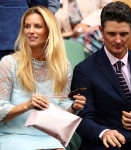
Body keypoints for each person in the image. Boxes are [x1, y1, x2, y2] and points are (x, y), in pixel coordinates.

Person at [0, 5, 86, 150]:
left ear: (49, 31)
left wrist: (73, 107)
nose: (30, 31)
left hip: (47, 137)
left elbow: (62, 105)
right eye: (27, 26)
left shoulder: (63, 66)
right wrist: (27, 105)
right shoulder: (9, 64)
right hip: (13, 136)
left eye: (37, 26)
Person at [71, 1, 131, 150]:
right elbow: (81, 117)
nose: (118, 40)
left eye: (124, 34)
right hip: (104, 146)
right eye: (112, 34)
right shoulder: (84, 70)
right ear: (101, 31)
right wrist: (103, 133)